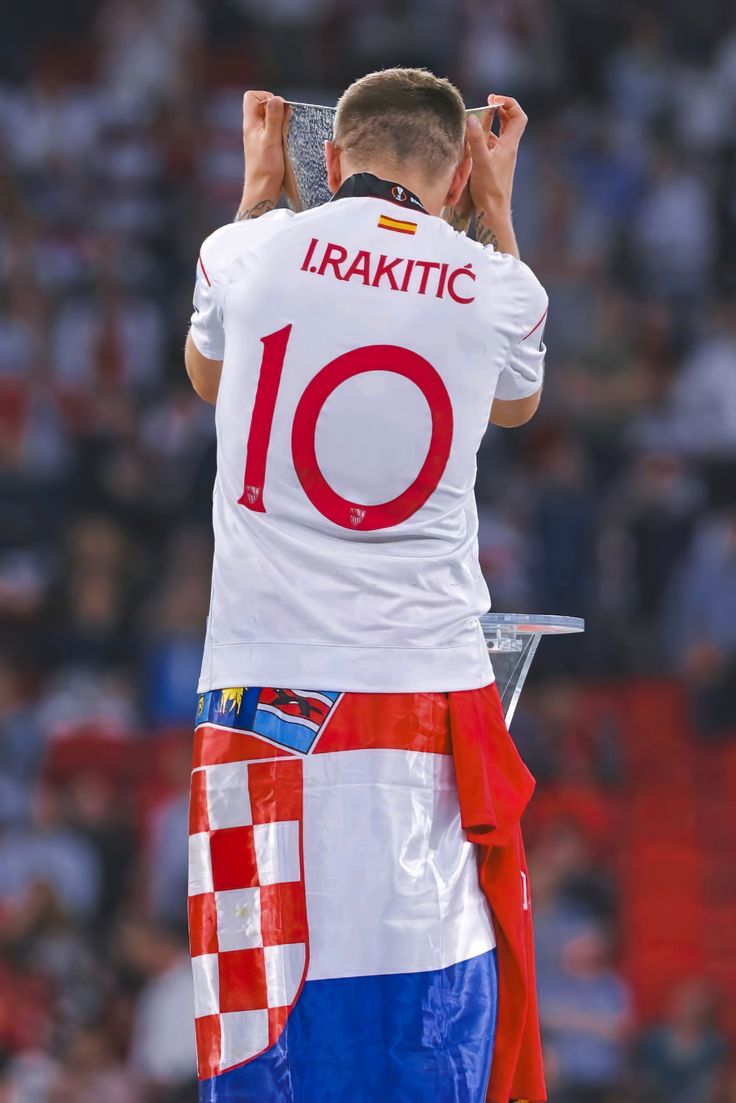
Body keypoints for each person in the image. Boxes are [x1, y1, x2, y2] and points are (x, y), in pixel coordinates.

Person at [184, 67, 548, 1103]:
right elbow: (516, 405)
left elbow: (208, 376)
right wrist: (496, 214)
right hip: (420, 697)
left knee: (262, 1024)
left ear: (329, 160)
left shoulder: (243, 252)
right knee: (418, 1020)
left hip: (263, 698)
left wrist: (258, 196)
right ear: (459, 170)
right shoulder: (497, 286)